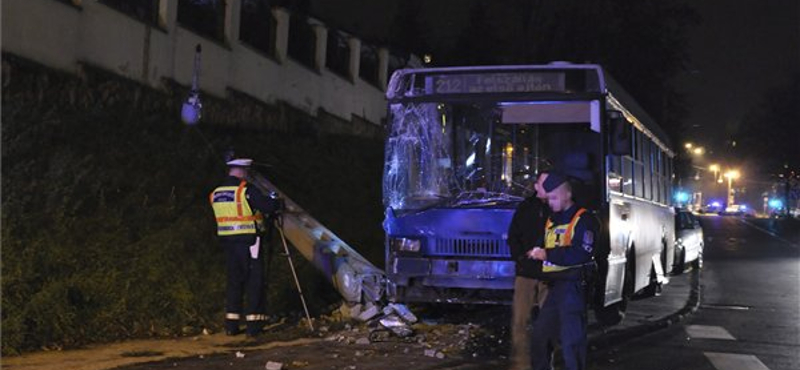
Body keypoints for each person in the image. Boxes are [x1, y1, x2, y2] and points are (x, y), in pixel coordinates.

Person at [528, 172, 598, 370]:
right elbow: (546, 244)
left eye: (554, 198)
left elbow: (581, 253)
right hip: (555, 287)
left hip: (574, 287)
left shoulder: (584, 220)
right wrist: (536, 252)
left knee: (571, 342)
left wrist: (547, 254)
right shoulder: (552, 219)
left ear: (567, 195)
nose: (550, 202)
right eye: (548, 198)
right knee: (540, 337)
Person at [209, 158, 282, 337]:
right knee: (254, 281)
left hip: (228, 243)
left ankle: (231, 325)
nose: (248, 175)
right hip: (249, 242)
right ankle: (253, 326)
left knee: (234, 281)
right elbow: (267, 206)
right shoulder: (245, 190)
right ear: (241, 171)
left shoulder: (216, 193)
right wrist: (276, 202)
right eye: (247, 172)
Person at [507, 171, 552, 370]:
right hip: (526, 273)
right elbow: (513, 237)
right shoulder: (526, 208)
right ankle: (521, 365)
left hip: (550, 275)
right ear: (536, 186)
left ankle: (544, 364)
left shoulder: (559, 207)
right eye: (544, 183)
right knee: (520, 322)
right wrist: (520, 258)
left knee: (548, 323)